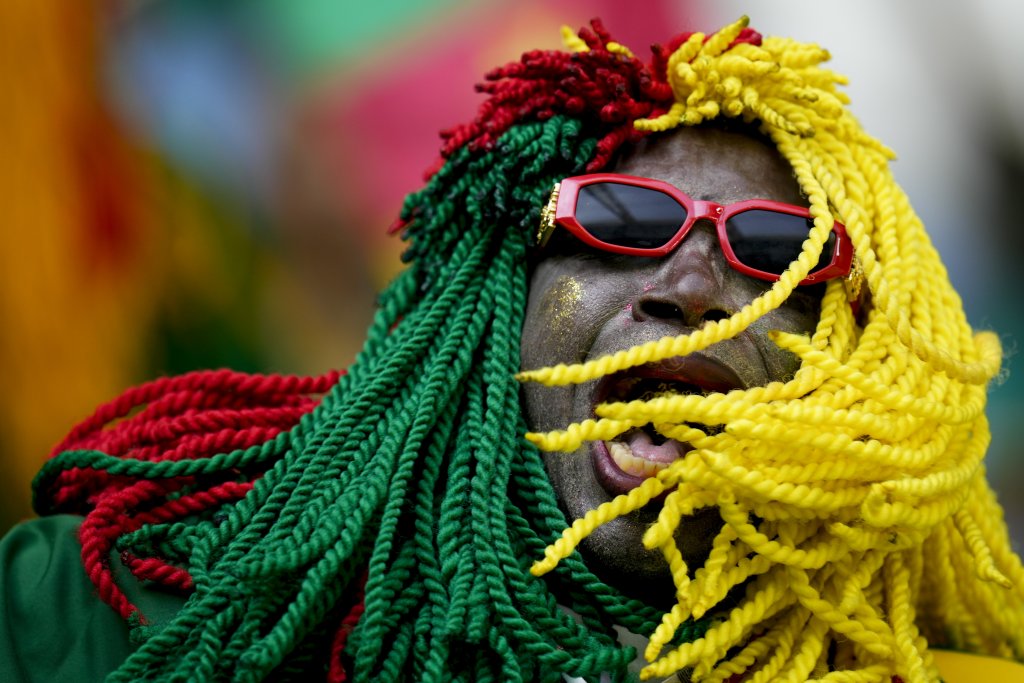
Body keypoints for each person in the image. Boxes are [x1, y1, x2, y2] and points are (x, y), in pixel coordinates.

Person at [3, 15, 1023, 683]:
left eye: (774, 250)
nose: (691, 285)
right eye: (621, 218)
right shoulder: (96, 619)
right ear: (489, 303)